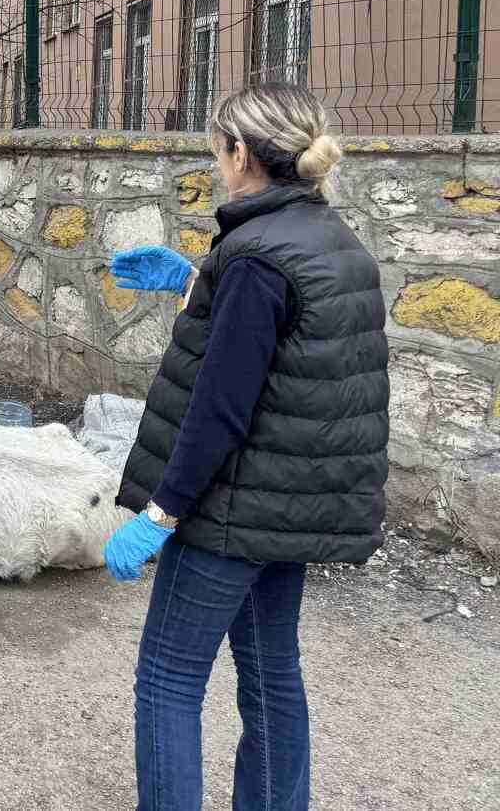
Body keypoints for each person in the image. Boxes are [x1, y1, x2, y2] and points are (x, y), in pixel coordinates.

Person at [102, 84, 388, 811]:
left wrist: (161, 514)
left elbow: (221, 408)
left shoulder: (258, 256)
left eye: (217, 150)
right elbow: (290, 351)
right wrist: (199, 279)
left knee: (168, 677)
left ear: (239, 153)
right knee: (270, 674)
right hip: (285, 510)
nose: (217, 163)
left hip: (230, 511)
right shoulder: (334, 240)